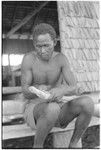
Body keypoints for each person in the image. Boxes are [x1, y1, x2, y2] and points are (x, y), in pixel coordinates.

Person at [21, 23, 94, 148]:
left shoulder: (61, 59)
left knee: (88, 103)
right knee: (52, 108)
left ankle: (73, 145)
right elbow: (25, 91)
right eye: (38, 46)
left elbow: (73, 86)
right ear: (34, 44)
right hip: (35, 110)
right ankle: (37, 146)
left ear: (54, 42)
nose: (42, 51)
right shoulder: (29, 59)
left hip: (58, 109)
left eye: (46, 46)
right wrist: (36, 90)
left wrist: (62, 90)